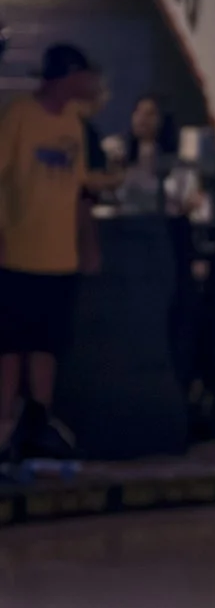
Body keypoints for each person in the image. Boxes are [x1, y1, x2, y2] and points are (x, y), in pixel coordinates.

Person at [0, 43, 103, 463]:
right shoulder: (19, 117)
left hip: (59, 258)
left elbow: (80, 189)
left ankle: (39, 423)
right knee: (10, 344)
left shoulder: (75, 124)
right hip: (18, 251)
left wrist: (87, 243)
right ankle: (5, 424)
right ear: (65, 77)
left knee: (47, 343)